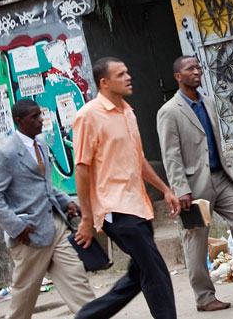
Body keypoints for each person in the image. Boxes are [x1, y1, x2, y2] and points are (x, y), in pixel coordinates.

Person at [157, 56, 233, 311]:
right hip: (193, 185)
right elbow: (170, 155)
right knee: (197, 241)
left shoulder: (209, 103)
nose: (196, 71)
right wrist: (180, 190)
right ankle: (204, 298)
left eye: (198, 67)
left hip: (219, 178)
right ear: (178, 77)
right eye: (189, 68)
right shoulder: (169, 111)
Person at [72, 57, 182, 319]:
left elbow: (138, 158)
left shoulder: (127, 112)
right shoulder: (88, 116)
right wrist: (87, 218)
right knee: (155, 271)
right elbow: (82, 168)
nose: (128, 77)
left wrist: (165, 189)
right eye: (121, 74)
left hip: (138, 205)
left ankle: (87, 317)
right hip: (115, 209)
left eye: (127, 72)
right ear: (105, 82)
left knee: (139, 274)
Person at [0, 99, 97, 319]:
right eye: (34, 117)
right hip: (29, 234)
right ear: (19, 121)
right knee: (23, 299)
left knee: (77, 280)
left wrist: (66, 202)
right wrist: (16, 227)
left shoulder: (42, 145)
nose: (40, 120)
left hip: (56, 225)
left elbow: (45, 186)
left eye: (40, 115)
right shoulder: (6, 154)